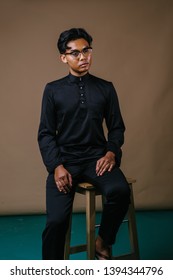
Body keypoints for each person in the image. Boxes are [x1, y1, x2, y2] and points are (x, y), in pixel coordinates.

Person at [38, 28, 130, 260]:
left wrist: (110, 153)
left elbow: (117, 127)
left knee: (119, 191)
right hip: (65, 162)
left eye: (86, 51)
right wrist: (56, 166)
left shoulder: (105, 88)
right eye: (75, 53)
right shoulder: (53, 90)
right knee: (56, 222)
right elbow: (46, 133)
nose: (82, 57)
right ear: (64, 57)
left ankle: (103, 242)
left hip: (96, 160)